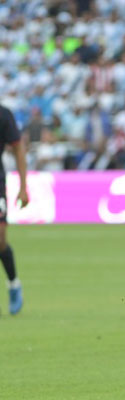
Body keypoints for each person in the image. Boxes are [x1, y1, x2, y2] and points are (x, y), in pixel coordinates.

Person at [0, 104, 28, 316]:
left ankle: (14, 284)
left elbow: (18, 148)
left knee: (0, 239)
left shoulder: (4, 114)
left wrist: (23, 186)